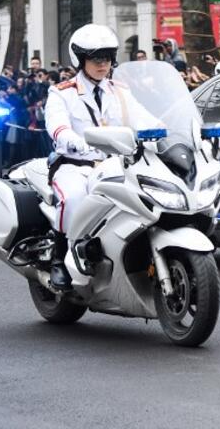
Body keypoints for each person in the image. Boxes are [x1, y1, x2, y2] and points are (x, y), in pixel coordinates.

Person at [44, 24, 160, 291]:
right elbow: (58, 127)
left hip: (116, 165)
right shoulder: (62, 92)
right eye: (96, 58)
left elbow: (143, 117)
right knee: (73, 199)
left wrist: (165, 132)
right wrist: (76, 142)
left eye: (106, 58)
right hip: (77, 165)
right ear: (80, 60)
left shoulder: (120, 90)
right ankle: (59, 259)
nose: (102, 64)